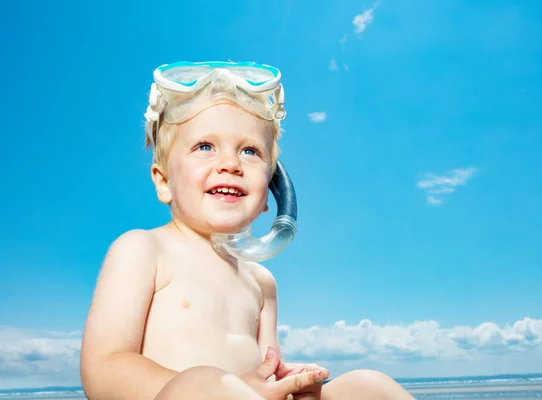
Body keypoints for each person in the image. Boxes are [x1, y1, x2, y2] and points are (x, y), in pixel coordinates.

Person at [80, 61, 415, 400]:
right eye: (205, 146)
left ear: (270, 192)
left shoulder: (261, 282)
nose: (230, 163)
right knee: (204, 383)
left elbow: (264, 373)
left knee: (367, 386)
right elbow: (104, 368)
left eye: (250, 151)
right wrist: (221, 390)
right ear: (164, 181)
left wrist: (288, 386)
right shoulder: (144, 249)